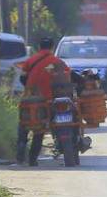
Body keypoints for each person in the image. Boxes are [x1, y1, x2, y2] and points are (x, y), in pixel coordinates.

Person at [16, 37, 70, 166]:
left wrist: (30, 89)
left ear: (40, 47)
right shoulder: (57, 61)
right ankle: (33, 160)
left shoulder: (31, 60)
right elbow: (67, 76)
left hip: (28, 98)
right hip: (47, 100)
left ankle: (20, 155)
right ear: (52, 48)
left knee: (24, 124)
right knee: (40, 130)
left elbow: (22, 77)